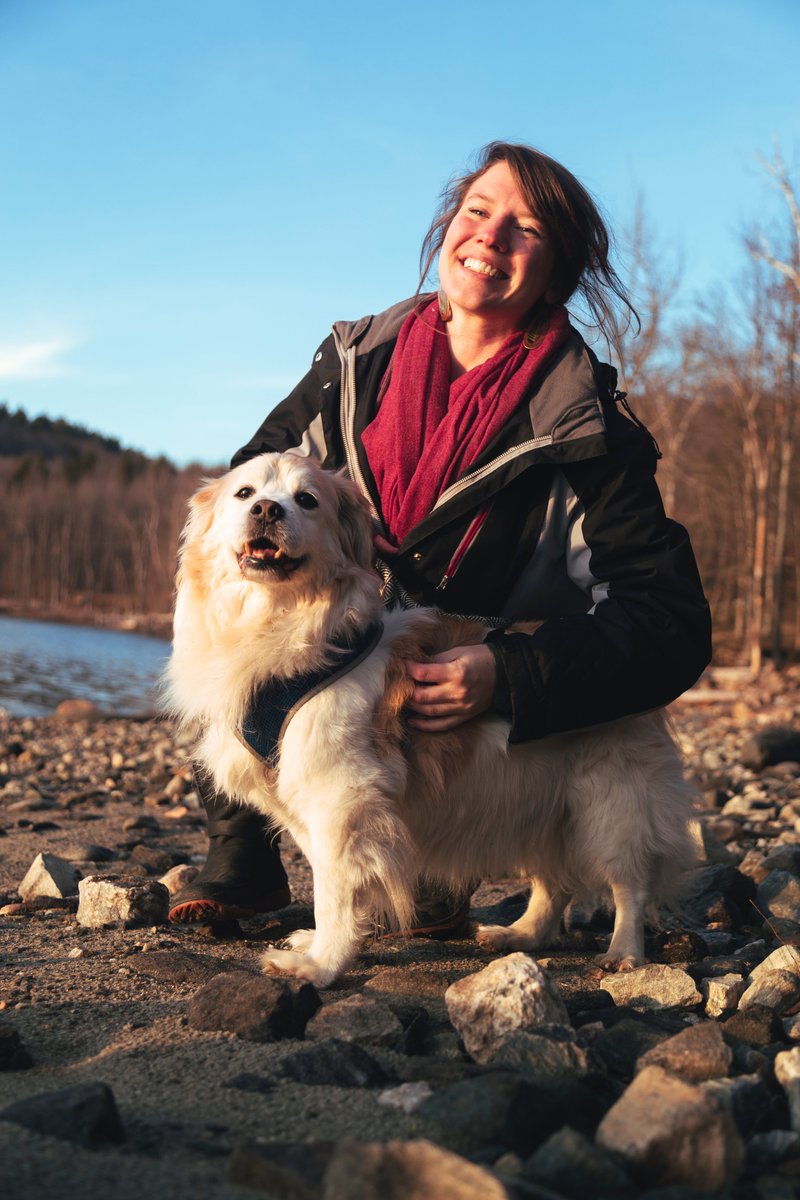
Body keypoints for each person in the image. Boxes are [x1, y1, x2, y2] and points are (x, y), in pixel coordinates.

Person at [168, 141, 712, 932]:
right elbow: (244, 502)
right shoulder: (354, 361)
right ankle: (241, 851)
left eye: (524, 229)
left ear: (555, 270)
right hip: (325, 652)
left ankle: (447, 866)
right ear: (448, 228)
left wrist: (510, 673)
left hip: (456, 719)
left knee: (417, 912)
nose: (490, 238)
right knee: (229, 581)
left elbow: (667, 623)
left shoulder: (589, 431)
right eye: (477, 213)